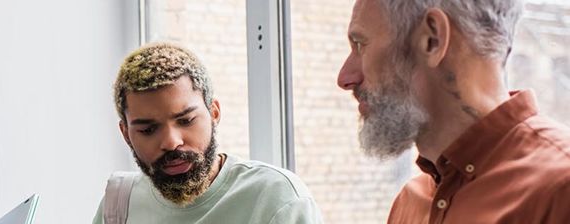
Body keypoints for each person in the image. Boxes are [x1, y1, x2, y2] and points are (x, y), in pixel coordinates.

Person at [337, 0, 570, 223]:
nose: (344, 78)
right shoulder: (409, 203)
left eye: (360, 45)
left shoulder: (561, 190)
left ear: (433, 39)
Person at [92, 42, 322, 224]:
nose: (172, 142)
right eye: (148, 130)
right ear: (126, 134)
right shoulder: (119, 205)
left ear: (214, 112)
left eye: (186, 120)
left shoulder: (277, 199)